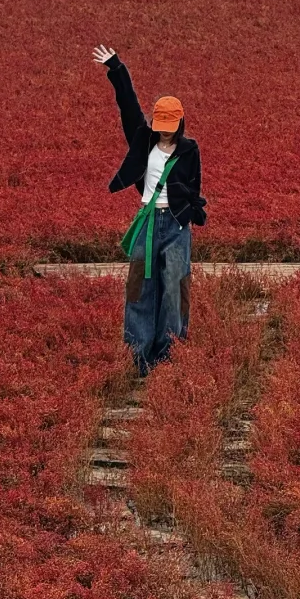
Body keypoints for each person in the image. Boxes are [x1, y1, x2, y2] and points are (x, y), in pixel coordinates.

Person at [92, 45, 207, 375]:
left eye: (170, 124)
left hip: (176, 224)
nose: (164, 129)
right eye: (160, 123)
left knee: (175, 288)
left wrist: (187, 213)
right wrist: (116, 68)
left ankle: (168, 358)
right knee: (139, 287)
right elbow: (127, 104)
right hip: (146, 221)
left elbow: (194, 186)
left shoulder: (189, 150)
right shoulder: (143, 138)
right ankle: (138, 358)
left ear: (180, 122)